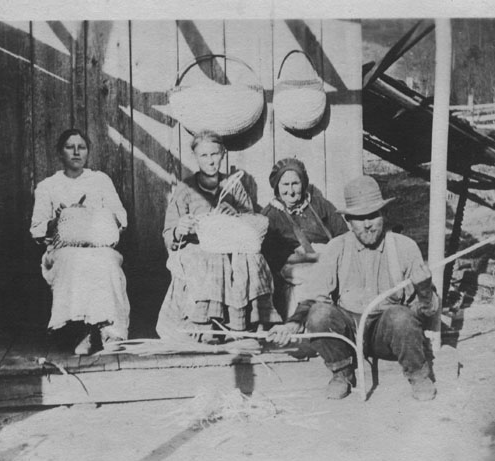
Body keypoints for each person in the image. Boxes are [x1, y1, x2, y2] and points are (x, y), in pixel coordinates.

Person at [267, 175, 440, 401]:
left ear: (383, 215)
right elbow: (313, 296)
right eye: (359, 218)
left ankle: (418, 376)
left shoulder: (404, 247)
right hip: (347, 332)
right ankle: (342, 373)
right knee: (319, 314)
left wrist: (425, 290)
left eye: (372, 216)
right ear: (348, 221)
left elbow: (424, 312)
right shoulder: (336, 248)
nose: (367, 224)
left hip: (385, 333)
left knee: (400, 317)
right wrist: (291, 324)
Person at [156, 131, 279, 341]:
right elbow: (169, 233)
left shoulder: (233, 186)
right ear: (195, 157)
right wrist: (180, 228)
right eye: (204, 155)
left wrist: (237, 215)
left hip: (230, 244)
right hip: (195, 247)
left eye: (214, 154)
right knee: (215, 258)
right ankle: (207, 323)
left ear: (223, 154)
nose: (210, 160)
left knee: (252, 258)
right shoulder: (185, 189)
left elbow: (251, 226)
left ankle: (250, 322)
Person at [30, 129, 130, 355]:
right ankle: (79, 330)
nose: (76, 152)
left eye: (82, 147)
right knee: (74, 260)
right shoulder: (48, 186)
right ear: (59, 152)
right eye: (69, 147)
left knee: (105, 261)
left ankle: (108, 331)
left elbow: (121, 219)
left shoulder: (100, 180)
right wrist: (60, 220)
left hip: (98, 246)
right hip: (63, 249)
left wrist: (93, 215)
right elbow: (36, 230)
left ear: (88, 152)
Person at [261, 158, 348, 318]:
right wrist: (306, 257)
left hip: (329, 261)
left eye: (295, 183)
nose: (291, 191)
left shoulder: (320, 205)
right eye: (285, 185)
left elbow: (343, 235)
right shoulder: (270, 215)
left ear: (303, 183)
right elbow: (271, 259)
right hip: (295, 271)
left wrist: (328, 253)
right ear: (276, 187)